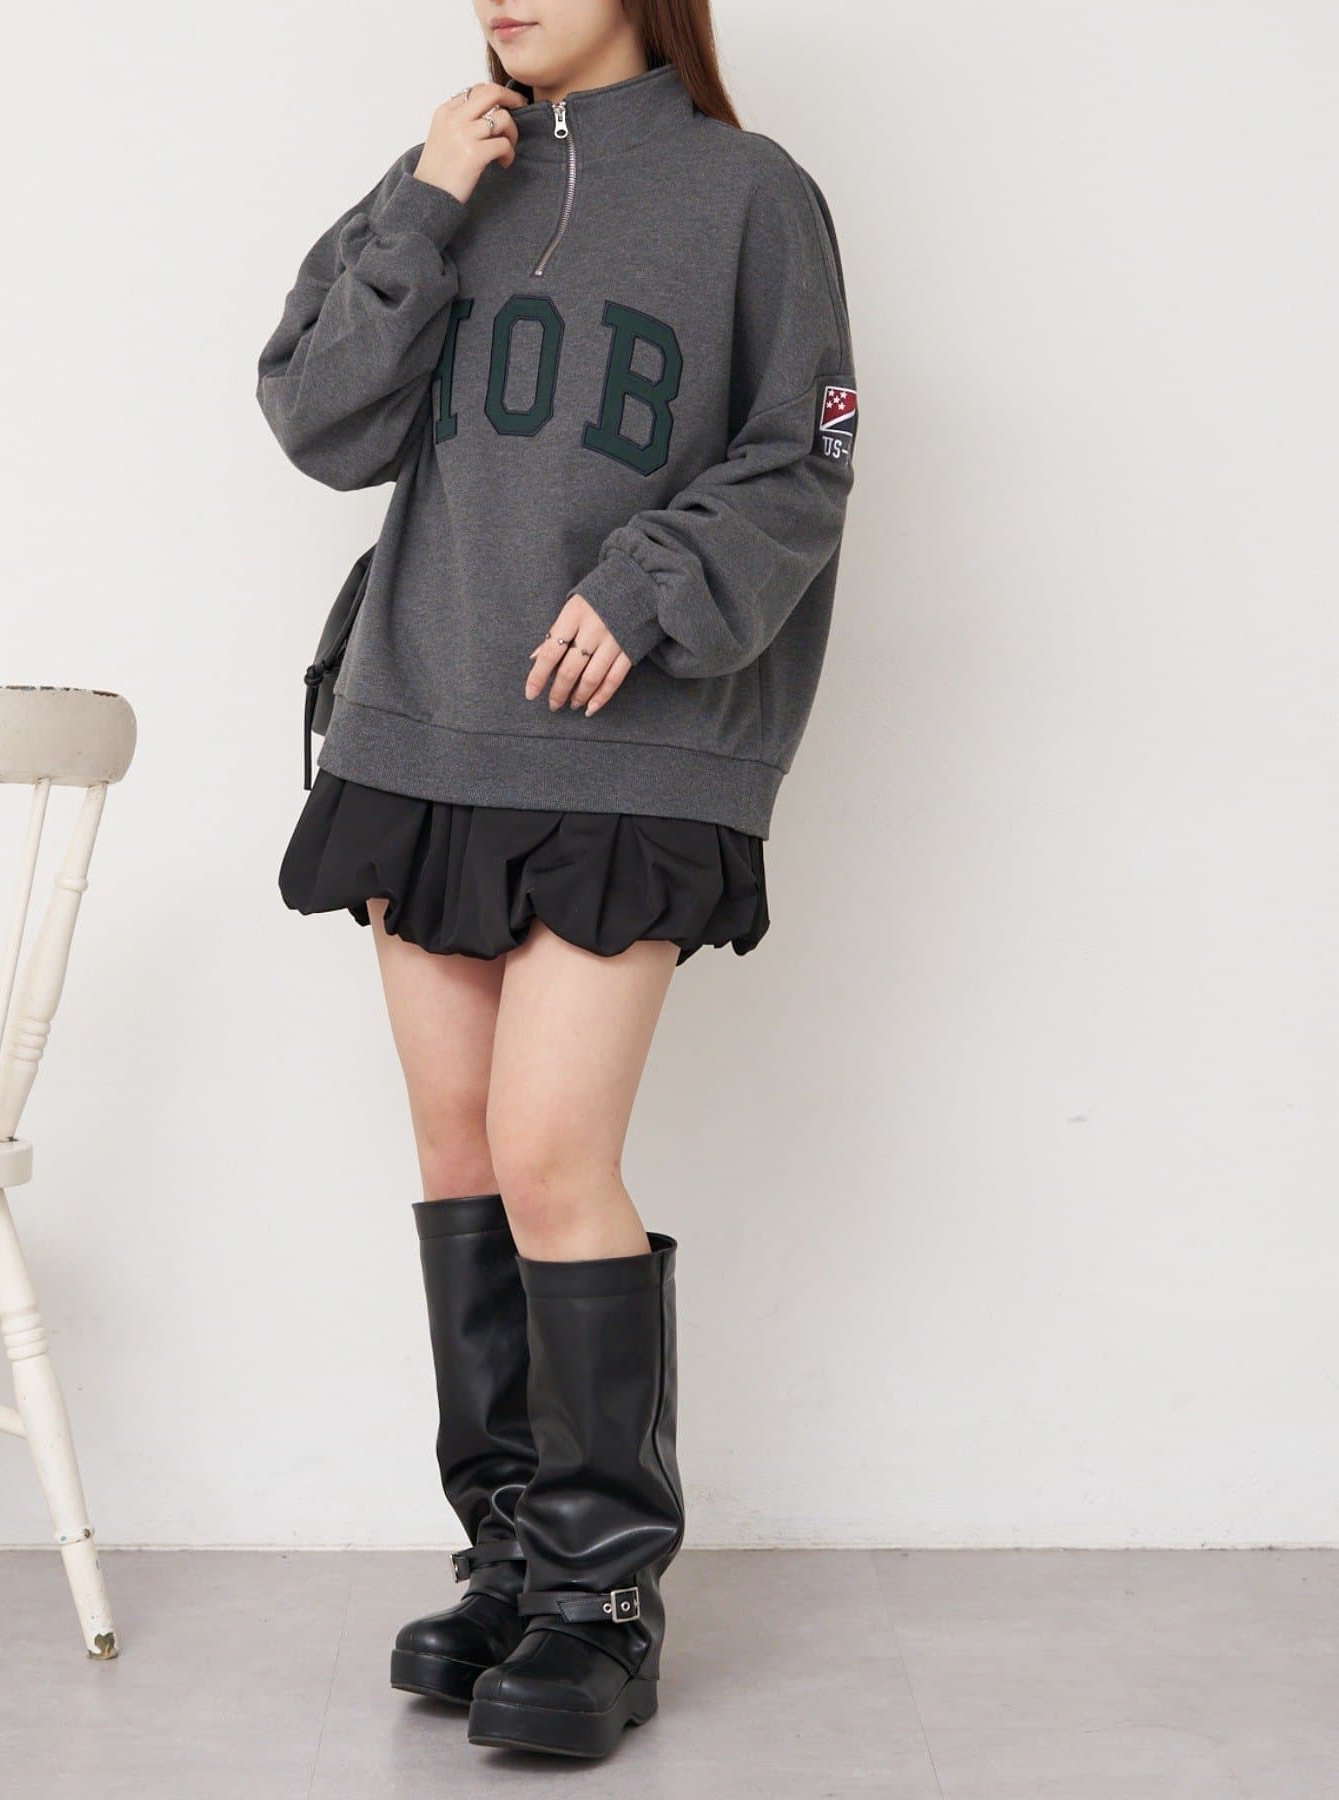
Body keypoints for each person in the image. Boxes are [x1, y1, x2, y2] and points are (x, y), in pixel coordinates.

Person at [256, 0, 858, 1763]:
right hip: (418, 729)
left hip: (626, 754)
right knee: (461, 1160)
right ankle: (513, 1560)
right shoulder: (444, 168)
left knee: (547, 1155)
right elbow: (319, 419)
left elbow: (805, 456)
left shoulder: (752, 194)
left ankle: (601, 1599)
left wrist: (648, 581)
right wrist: (428, 206)